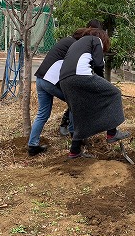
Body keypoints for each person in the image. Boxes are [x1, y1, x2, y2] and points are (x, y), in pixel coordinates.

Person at [59, 29, 130, 158]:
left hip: (64, 80)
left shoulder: (78, 43)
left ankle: (74, 151)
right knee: (114, 93)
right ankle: (112, 133)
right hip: (80, 76)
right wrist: (103, 83)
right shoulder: (96, 40)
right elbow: (98, 65)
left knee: (80, 113)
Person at [28, 27, 94, 156]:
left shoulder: (66, 41)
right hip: (50, 80)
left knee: (43, 114)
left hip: (41, 79)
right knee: (76, 102)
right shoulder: (74, 45)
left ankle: (32, 145)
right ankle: (74, 135)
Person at [59, 19, 104, 136]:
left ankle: (76, 134)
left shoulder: (86, 40)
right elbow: (99, 65)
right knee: (76, 101)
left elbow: (94, 63)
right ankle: (68, 125)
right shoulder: (81, 41)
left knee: (79, 100)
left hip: (73, 73)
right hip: (70, 74)